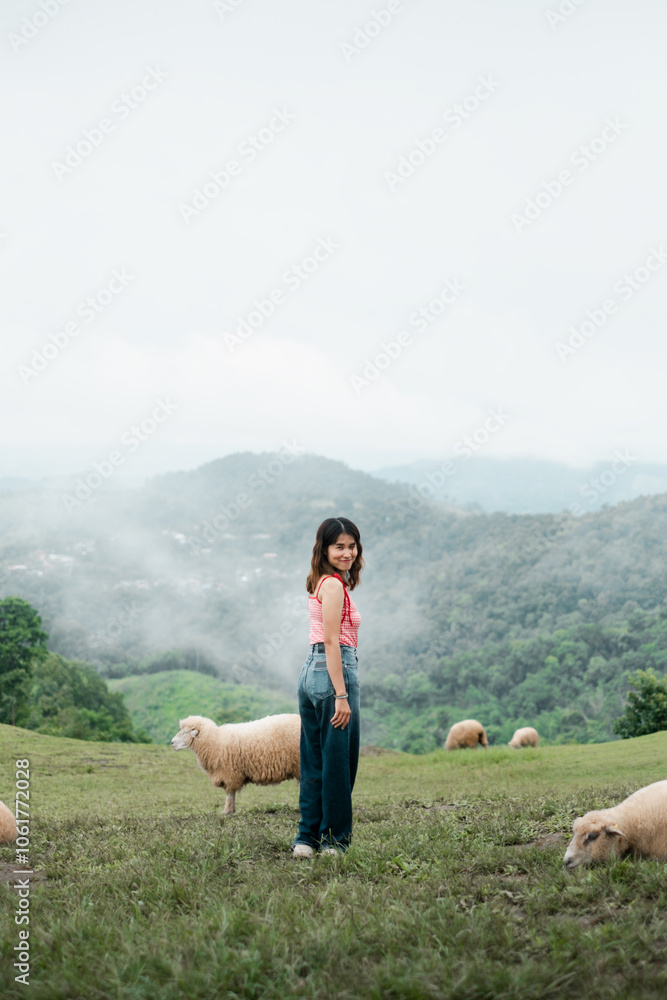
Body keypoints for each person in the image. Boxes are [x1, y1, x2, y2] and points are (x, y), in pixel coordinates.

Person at [292, 516, 363, 858]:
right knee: (338, 763)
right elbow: (332, 641)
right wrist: (342, 695)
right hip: (334, 671)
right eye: (339, 547)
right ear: (325, 549)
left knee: (314, 761)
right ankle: (334, 841)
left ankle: (306, 839)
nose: (347, 553)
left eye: (352, 546)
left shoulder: (319, 581)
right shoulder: (333, 586)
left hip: (310, 671)